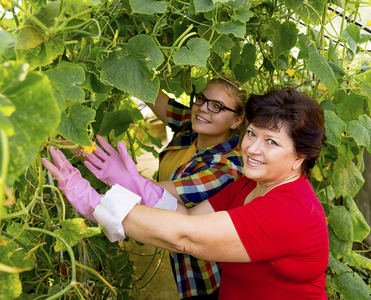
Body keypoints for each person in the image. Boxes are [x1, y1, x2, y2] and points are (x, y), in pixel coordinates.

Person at [42, 87, 329, 299]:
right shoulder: (249, 184)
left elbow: (186, 236)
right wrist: (133, 182)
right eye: (252, 134)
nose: (253, 148)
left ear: (300, 157)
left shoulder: (291, 209)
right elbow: (186, 216)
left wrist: (97, 204)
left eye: (272, 142)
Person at [80, 77, 247, 299]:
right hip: (181, 250)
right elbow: (145, 86)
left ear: (237, 121)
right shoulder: (191, 126)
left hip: (209, 271)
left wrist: (84, 154)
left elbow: (151, 194)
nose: (203, 109)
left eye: (217, 106)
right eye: (201, 99)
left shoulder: (227, 166)